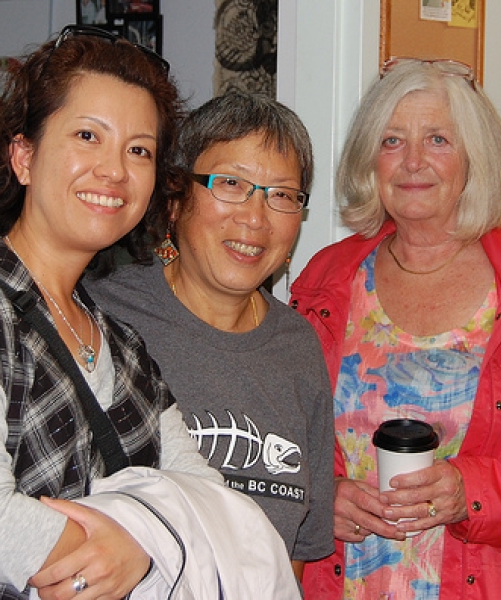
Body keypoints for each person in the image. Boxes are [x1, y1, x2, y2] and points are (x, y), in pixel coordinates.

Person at [0, 24, 224, 599]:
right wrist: (138, 554)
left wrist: (144, 548)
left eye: (139, 150)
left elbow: (206, 497)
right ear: (23, 156)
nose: (115, 170)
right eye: (86, 135)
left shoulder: (125, 352)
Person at [86, 91, 335, 581]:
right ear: (176, 198)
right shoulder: (104, 316)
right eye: (231, 183)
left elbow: (295, 554)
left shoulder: (298, 347)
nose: (255, 218)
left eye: (282, 195)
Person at [290, 57, 501, 599]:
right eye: (391, 140)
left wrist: (471, 492)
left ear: (474, 157)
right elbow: (279, 435)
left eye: (437, 139)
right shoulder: (327, 278)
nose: (412, 161)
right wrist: (319, 495)